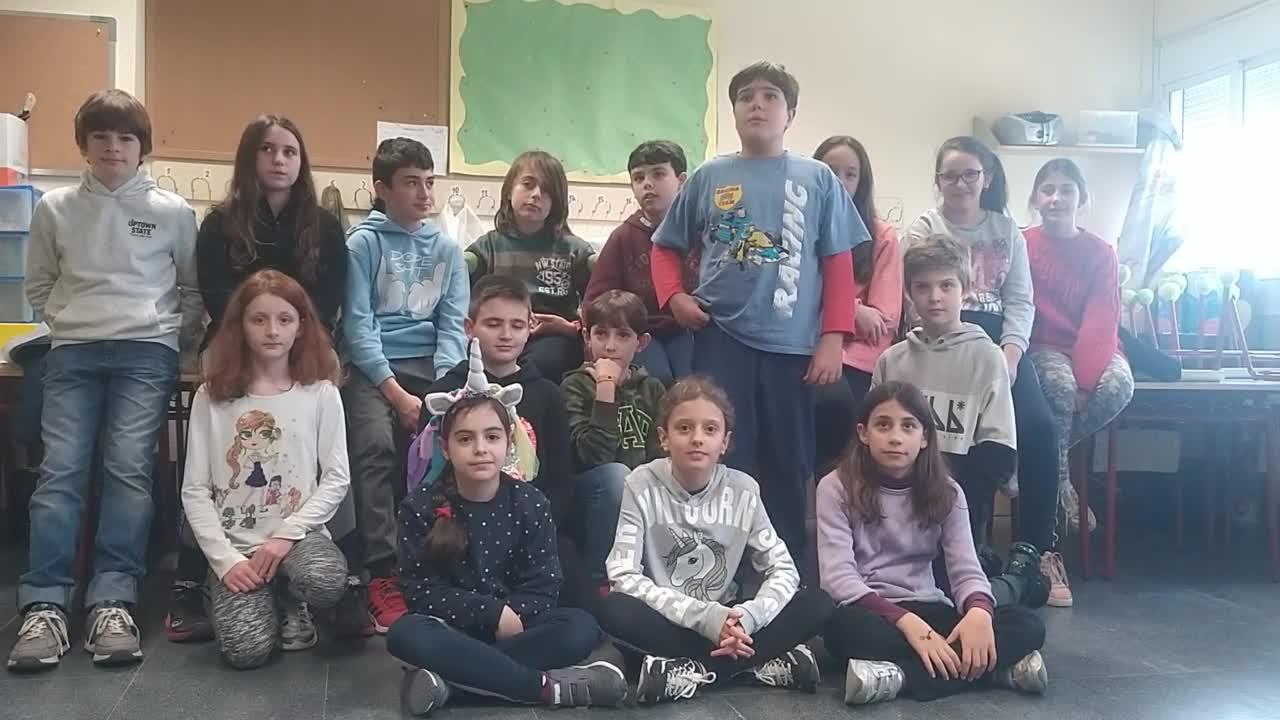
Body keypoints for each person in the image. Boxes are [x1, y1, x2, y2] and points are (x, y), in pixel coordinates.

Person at [9, 89, 201, 672]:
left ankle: (113, 601)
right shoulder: (55, 208)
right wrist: (71, 323)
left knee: (127, 470)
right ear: (84, 144)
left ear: (143, 147)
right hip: (74, 353)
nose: (113, 147)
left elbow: (191, 290)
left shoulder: (173, 211)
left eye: (125, 137)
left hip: (147, 353)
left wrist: (172, 340)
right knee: (60, 472)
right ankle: (45, 604)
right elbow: (39, 285)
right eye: (101, 136)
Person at [650, 61, 864, 570]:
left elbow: (838, 263)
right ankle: (720, 568)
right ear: (734, 110)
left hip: (793, 348)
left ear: (790, 113)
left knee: (788, 460)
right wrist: (674, 297)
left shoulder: (817, 179)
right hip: (721, 339)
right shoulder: (709, 176)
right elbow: (665, 247)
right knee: (726, 456)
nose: (758, 104)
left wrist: (833, 336)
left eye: (770, 96)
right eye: (746, 96)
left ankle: (786, 573)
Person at [168, 113, 351, 643]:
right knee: (245, 649)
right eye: (268, 149)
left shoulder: (324, 225)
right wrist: (255, 328)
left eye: (290, 151)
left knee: (329, 385)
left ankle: (324, 573)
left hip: (307, 334)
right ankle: (200, 572)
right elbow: (217, 295)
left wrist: (295, 334)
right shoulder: (220, 222)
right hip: (233, 334)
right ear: (251, 157)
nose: (279, 160)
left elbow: (328, 298)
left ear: (302, 161)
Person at [388, 389, 626, 716]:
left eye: (492, 437)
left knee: (579, 626)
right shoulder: (419, 507)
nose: (480, 448)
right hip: (452, 630)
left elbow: (545, 584)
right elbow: (421, 591)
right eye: (465, 439)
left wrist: (511, 614)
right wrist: (491, 612)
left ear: (509, 442)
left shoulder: (531, 503)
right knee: (405, 634)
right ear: (445, 447)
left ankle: (451, 683)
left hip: (518, 630)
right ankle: (546, 688)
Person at [598, 378, 834, 704]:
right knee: (614, 609)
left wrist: (747, 618)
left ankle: (689, 671)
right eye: (684, 428)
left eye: (710, 429)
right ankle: (755, 663)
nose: (697, 438)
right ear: (664, 438)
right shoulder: (640, 483)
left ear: (725, 442)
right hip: (672, 619)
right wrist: (705, 618)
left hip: (731, 618)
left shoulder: (744, 489)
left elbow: (783, 569)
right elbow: (622, 575)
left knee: (818, 603)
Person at [817, 381, 1047, 705]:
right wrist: (909, 625)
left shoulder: (948, 492)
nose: (896, 437)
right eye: (883, 425)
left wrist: (979, 612)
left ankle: (900, 677)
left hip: (931, 609)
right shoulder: (835, 487)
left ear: (924, 437)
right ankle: (995, 671)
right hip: (872, 612)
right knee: (840, 630)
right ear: (863, 433)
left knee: (1028, 624)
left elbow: (966, 570)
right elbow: (838, 580)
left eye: (908, 426)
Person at [181, 270, 350, 668]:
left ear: (300, 326)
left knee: (325, 578)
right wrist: (224, 561)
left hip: (297, 541)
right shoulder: (211, 396)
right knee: (246, 652)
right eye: (259, 319)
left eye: (284, 319)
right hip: (237, 548)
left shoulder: (321, 393)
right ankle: (238, 593)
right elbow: (195, 489)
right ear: (240, 325)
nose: (272, 331)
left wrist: (286, 536)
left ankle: (292, 596)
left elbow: (336, 478)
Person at [903, 136, 1058, 567]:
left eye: (970, 174)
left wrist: (1009, 356)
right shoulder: (924, 228)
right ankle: (967, 548)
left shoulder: (1007, 231)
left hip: (999, 344)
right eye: (950, 176)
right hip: (942, 339)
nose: (960, 183)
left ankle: (1037, 553)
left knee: (1039, 429)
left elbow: (1021, 301)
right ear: (938, 181)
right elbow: (913, 298)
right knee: (960, 436)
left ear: (986, 178)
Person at [874, 238, 1047, 606]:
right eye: (923, 287)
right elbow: (874, 440)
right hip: (898, 504)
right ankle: (992, 569)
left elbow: (999, 454)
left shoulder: (988, 358)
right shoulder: (892, 361)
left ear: (965, 289)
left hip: (957, 506)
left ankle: (1016, 581)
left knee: (955, 601)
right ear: (909, 293)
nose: (935, 297)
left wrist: (944, 498)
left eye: (946, 285)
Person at [342, 137, 469, 634]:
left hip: (434, 367)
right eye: (411, 183)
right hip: (375, 367)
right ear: (382, 189)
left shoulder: (448, 249)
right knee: (376, 446)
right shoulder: (362, 244)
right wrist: (395, 393)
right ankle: (381, 570)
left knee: (451, 449)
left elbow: (452, 324)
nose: (424, 193)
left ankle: (441, 561)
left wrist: (443, 390)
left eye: (429, 182)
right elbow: (358, 326)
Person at [425, 276, 589, 607]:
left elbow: (560, 478)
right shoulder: (444, 393)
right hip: (460, 526)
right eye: (493, 324)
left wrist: (537, 527)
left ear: (531, 327)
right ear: (469, 327)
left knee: (581, 610)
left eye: (516, 325)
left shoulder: (547, 394)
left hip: (531, 528)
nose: (505, 334)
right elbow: (428, 474)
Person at [1025, 158, 1135, 608]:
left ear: (1081, 198)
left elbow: (1102, 318)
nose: (1056, 198)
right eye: (1047, 189)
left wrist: (1088, 378)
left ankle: (1050, 467)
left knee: (1118, 386)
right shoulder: (1022, 243)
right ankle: (1061, 495)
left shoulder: (1101, 253)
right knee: (1058, 388)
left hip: (1092, 347)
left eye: (1066, 189)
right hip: (1044, 346)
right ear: (1036, 198)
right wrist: (1073, 384)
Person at [560, 290, 666, 584]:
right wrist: (605, 388)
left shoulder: (653, 388)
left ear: (641, 343)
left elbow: (661, 455)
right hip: (594, 494)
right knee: (617, 476)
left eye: (622, 335)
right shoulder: (575, 386)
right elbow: (593, 457)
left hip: (642, 498)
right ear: (587, 337)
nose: (609, 346)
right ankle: (601, 580)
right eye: (601, 334)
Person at [811, 135, 903, 473]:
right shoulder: (800, 231)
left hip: (861, 360)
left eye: (850, 174)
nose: (840, 182)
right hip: (808, 347)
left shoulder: (882, 236)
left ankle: (842, 494)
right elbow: (795, 300)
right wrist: (853, 309)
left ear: (861, 183)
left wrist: (839, 312)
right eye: (831, 172)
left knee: (840, 407)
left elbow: (882, 321)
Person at [467, 150, 595, 383]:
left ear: (556, 203)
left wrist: (570, 328)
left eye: (547, 191)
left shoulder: (574, 250)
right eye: (528, 184)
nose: (536, 195)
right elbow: (463, 301)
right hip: (499, 334)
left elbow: (598, 309)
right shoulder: (487, 247)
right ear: (509, 191)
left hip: (553, 339)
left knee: (542, 363)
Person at [583, 140, 695, 385]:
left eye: (658, 174)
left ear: (682, 181)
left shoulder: (700, 231)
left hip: (689, 331)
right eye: (638, 178)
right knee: (654, 378)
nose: (647, 183)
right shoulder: (623, 237)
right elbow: (594, 301)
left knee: (691, 381)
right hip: (639, 334)